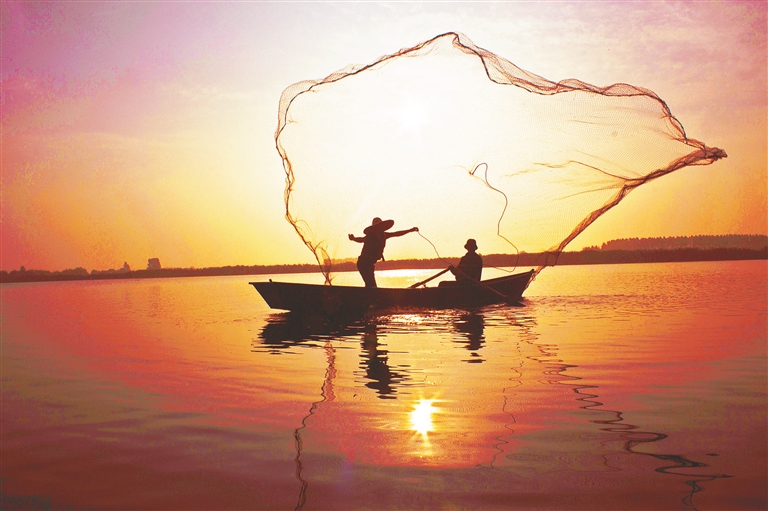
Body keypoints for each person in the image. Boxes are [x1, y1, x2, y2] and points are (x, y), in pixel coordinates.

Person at [349, 217, 418, 288]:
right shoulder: (371, 235)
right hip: (363, 263)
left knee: (372, 286)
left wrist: (410, 230)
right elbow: (362, 239)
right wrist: (354, 239)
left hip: (370, 264)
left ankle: (368, 297)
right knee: (371, 285)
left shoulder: (384, 235)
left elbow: (396, 233)